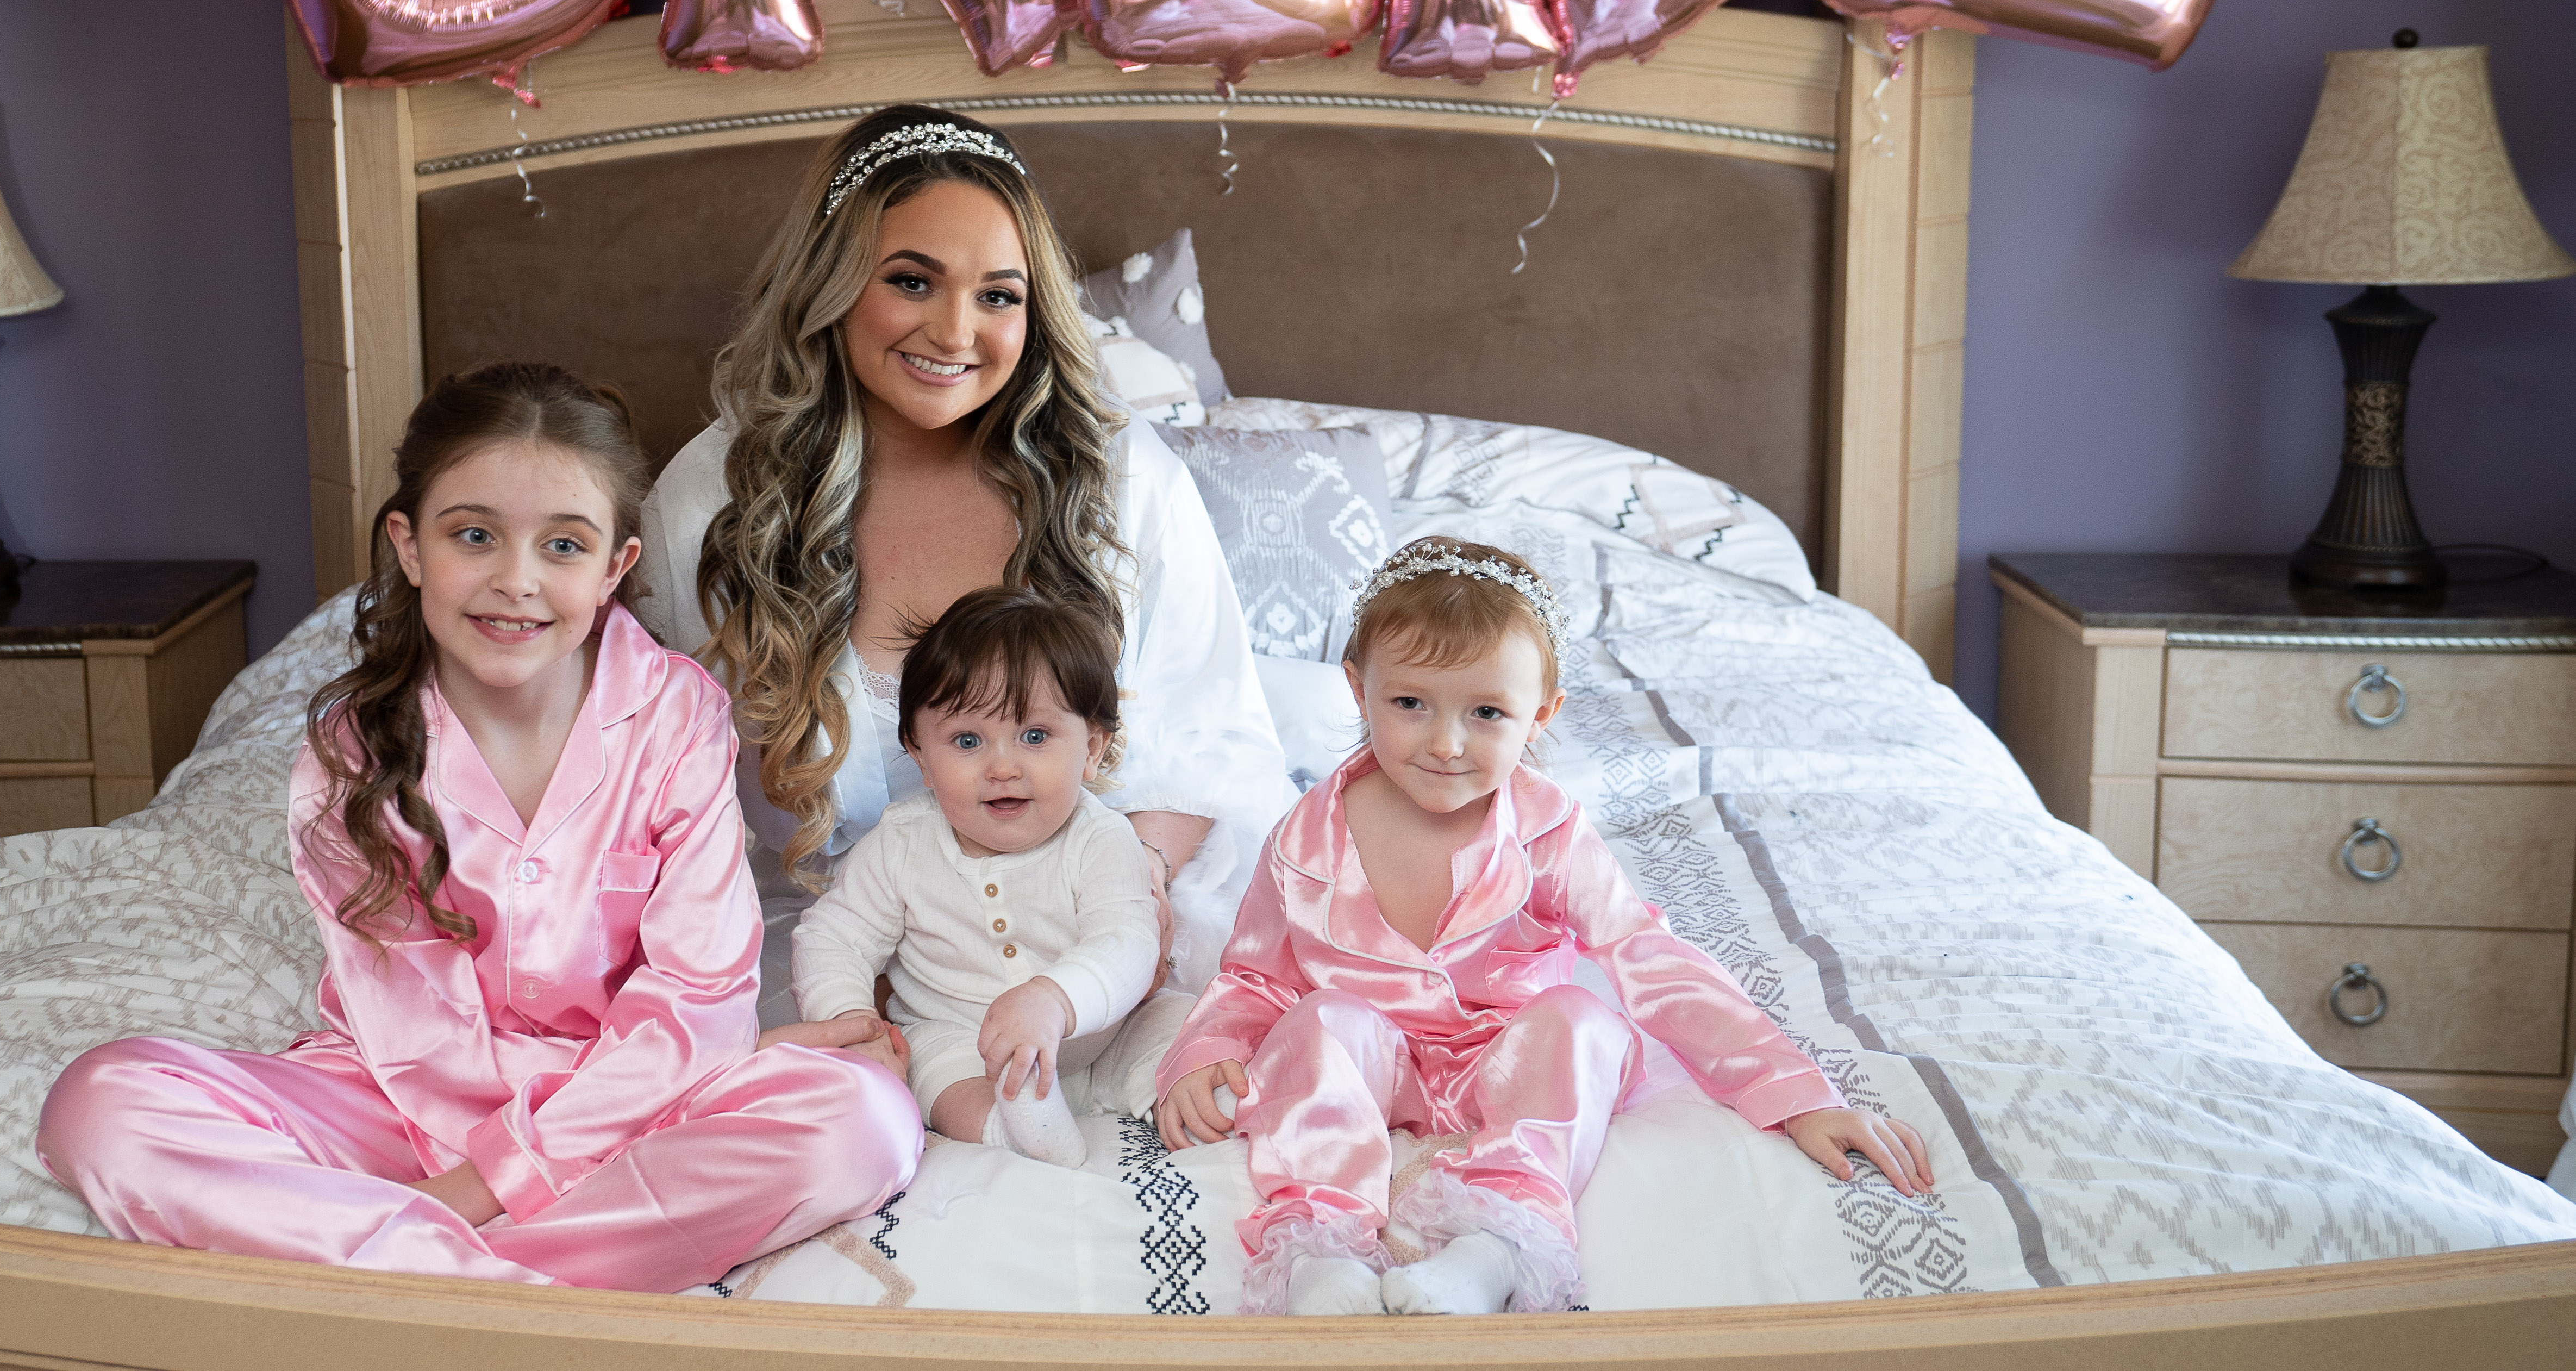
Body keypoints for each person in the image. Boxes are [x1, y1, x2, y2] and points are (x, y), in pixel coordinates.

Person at [37, 363, 921, 1291]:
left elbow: (691, 999)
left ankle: (398, 1273)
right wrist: (481, 1183)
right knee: (101, 1104)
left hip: (621, 1094)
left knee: (862, 1121)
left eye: (564, 545)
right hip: (396, 1097)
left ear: (615, 567)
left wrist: (485, 1182)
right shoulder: (353, 750)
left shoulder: (677, 717)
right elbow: (417, 1036)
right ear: (410, 545)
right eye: (473, 535)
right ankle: (509, 1300)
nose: (516, 581)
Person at [1154, 538, 1933, 1318]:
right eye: (1410, 704)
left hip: (1508, 1059)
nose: (1445, 743)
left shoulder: (1547, 830)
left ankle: (1492, 1247)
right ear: (1359, 690)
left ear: (1541, 715)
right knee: (1319, 1020)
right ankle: (1322, 1258)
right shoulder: (1308, 836)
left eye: (1486, 713)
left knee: (1580, 1020)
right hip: (1376, 1063)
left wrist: (1795, 1094)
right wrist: (1206, 1049)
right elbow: (1254, 974)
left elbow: (1646, 954)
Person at [637, 106, 1293, 1031]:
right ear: (831, 284)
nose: (955, 332)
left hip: (1093, 919)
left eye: (997, 295)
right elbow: (652, 775)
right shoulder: (714, 500)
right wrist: (861, 971)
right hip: (818, 937)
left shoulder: (1118, 475)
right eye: (912, 281)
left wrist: (1126, 911)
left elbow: (1207, 737)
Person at [791, 589, 1174, 1168]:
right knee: (923, 1063)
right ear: (920, 755)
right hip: (962, 1041)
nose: (1002, 767)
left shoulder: (1100, 837)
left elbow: (1127, 942)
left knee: (1177, 1019)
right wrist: (852, 1022)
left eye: (1035, 736)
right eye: (967, 741)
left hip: (1102, 1033)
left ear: (1092, 749)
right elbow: (832, 938)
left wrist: (1054, 999)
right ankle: (1006, 1127)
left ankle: (1184, 1089)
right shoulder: (902, 842)